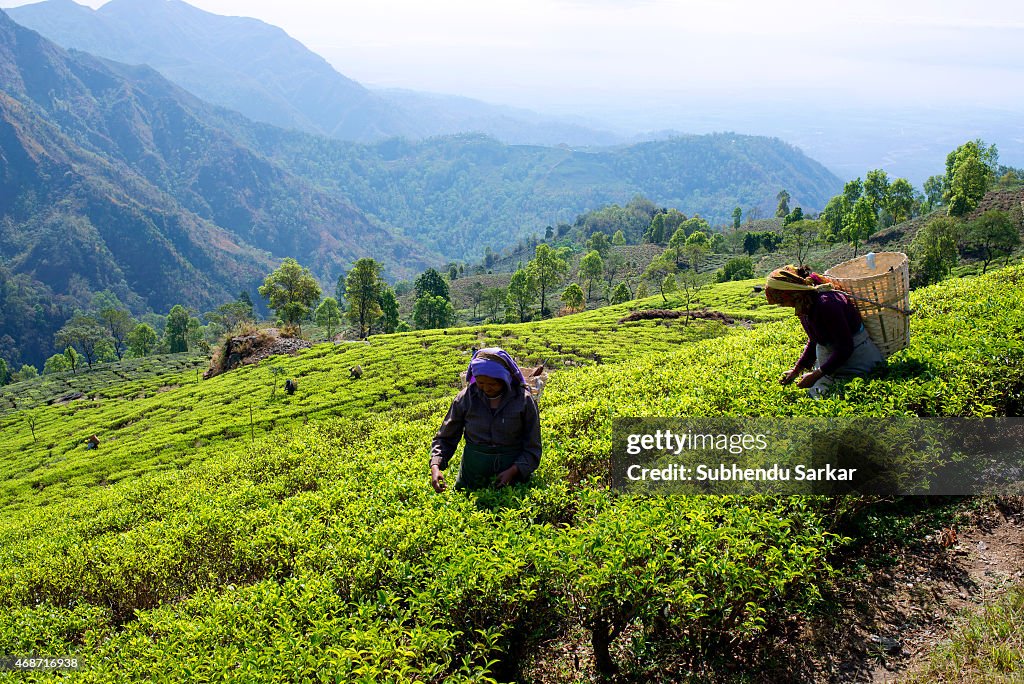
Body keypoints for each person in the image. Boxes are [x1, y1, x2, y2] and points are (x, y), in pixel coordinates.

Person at [430, 348, 542, 492]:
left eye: (493, 384)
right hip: (472, 474)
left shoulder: (523, 401)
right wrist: (436, 465)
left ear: (505, 378)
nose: (486, 388)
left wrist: (515, 470)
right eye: (481, 383)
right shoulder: (466, 398)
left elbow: (533, 446)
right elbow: (445, 437)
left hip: (512, 476)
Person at [765, 265, 883, 398]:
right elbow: (815, 339)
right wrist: (796, 370)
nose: (781, 304)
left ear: (792, 292)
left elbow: (845, 347)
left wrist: (816, 375)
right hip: (833, 362)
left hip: (856, 360)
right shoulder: (805, 304)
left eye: (781, 300)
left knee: (827, 396)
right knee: (816, 392)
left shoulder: (827, 304)